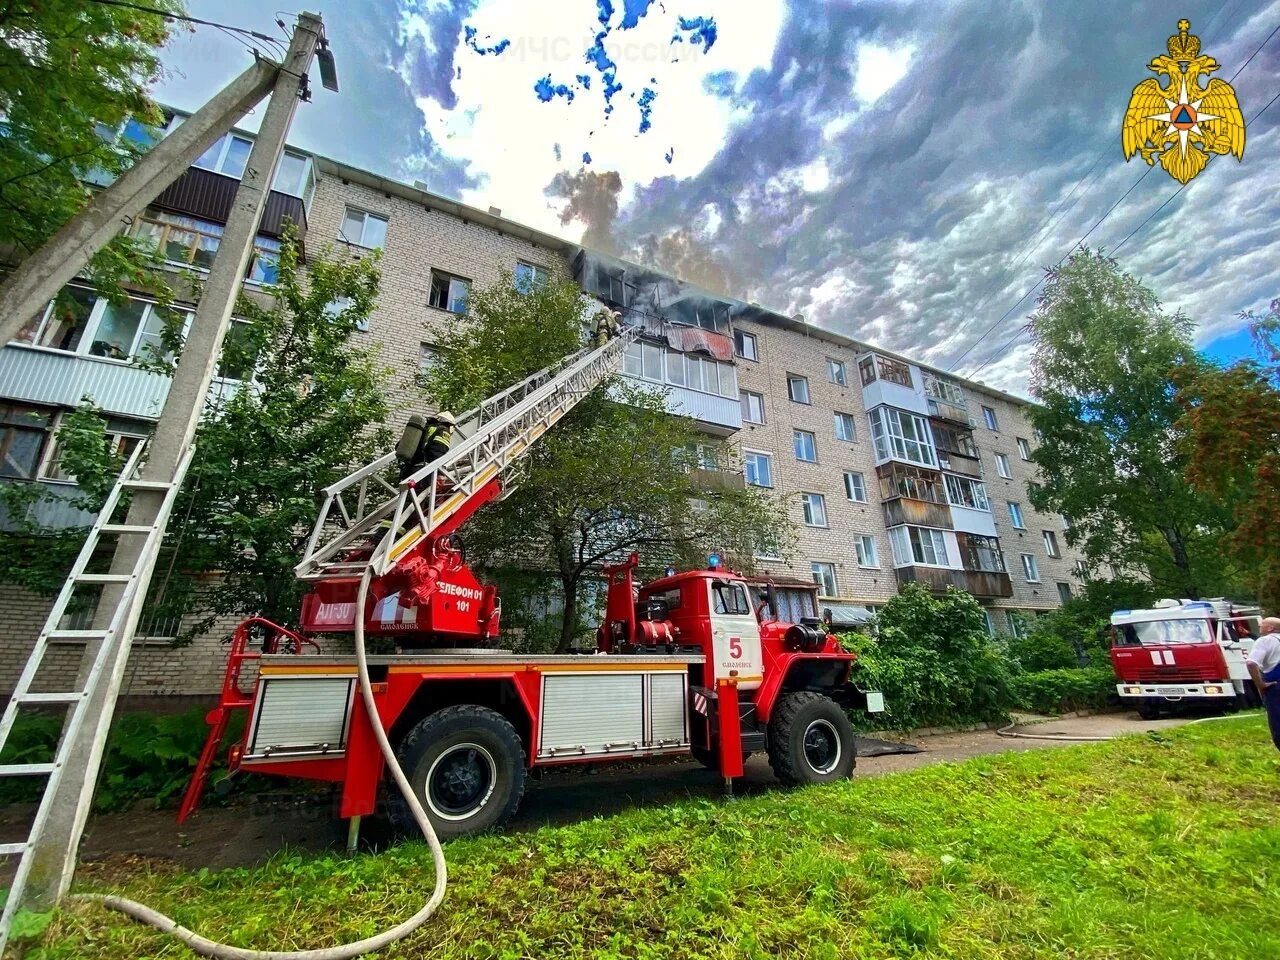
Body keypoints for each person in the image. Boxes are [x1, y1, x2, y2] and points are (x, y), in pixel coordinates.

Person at [1245, 616, 1280, 752]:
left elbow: (1251, 663)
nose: (1259, 626)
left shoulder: (1265, 641)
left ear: (1270, 628)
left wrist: (1260, 684)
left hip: (1276, 688)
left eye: (1262, 624)